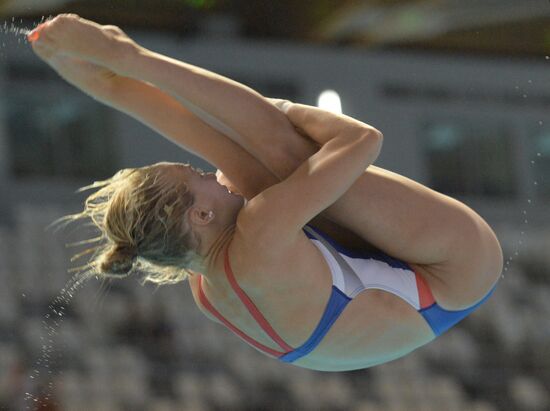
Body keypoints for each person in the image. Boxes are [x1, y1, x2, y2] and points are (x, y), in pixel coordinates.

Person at [28, 14, 503, 371]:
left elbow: (209, 141)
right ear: (199, 217)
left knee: (253, 164)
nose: (211, 175)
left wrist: (94, 75)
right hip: (456, 271)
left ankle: (118, 69)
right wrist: (281, 109)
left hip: (382, 302)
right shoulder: (259, 233)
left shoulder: (206, 285)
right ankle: (129, 60)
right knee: (282, 151)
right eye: (198, 178)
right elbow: (362, 140)